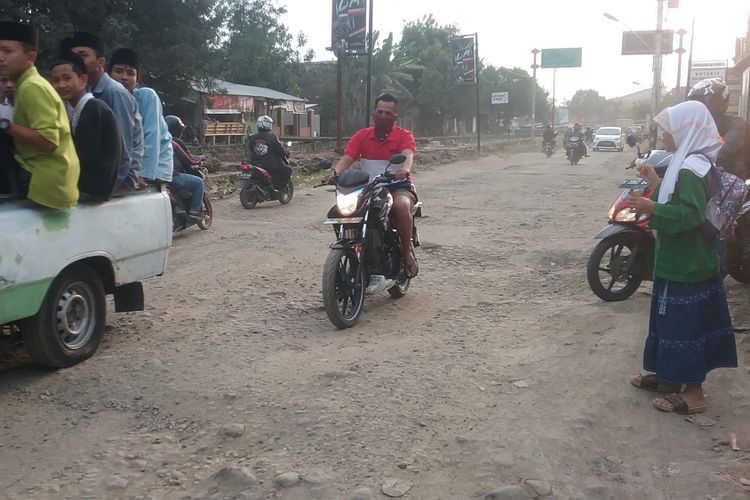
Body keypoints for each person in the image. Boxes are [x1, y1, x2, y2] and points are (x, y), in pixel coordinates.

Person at [627, 100, 737, 415]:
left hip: (689, 264)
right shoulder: (684, 162)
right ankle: (669, 377)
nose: (665, 137)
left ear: (686, 129)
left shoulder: (693, 167)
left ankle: (693, 394)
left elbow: (690, 215)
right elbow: (678, 199)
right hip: (676, 260)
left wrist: (652, 209)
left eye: (668, 131)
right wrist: (654, 183)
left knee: (685, 326)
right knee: (667, 322)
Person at [325, 93, 419, 277]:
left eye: (387, 113)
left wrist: (405, 169)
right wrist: (335, 174)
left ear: (395, 117)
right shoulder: (362, 136)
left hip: (397, 186)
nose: (383, 116)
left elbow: (408, 155)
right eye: (380, 112)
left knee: (400, 206)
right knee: (339, 211)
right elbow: (348, 158)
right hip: (370, 188)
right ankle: (353, 248)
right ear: (374, 113)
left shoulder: (403, 136)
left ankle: (407, 254)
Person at [0, 22, 79, 209]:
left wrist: (5, 125)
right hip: (42, 175)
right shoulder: (25, 86)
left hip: (42, 180)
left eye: (7, 51)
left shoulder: (32, 87)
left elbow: (49, 141)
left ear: (30, 57)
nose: (1, 58)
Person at [64, 32, 143, 191]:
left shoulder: (114, 93)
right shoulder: (86, 91)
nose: (77, 61)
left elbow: (123, 150)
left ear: (100, 62)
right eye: (73, 56)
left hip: (117, 184)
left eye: (83, 55)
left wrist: (109, 189)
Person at [51, 51, 121, 201]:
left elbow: (84, 156)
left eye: (67, 78)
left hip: (92, 190)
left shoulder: (92, 108)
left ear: (83, 80)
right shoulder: (77, 109)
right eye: (55, 80)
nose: (61, 85)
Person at [108, 47, 173, 184]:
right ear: (108, 75)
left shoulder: (147, 97)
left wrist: (142, 174)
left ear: (137, 80)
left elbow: (151, 135)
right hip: (126, 167)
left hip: (156, 167)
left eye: (130, 73)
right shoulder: (105, 99)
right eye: (119, 71)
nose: (124, 77)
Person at [687, 78, 746, 180]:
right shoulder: (694, 125)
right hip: (702, 178)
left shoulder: (736, 124)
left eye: (701, 102)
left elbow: (724, 149)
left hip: (731, 184)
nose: (696, 107)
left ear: (719, 103)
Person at [165, 115, 205, 219]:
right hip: (173, 176)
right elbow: (189, 160)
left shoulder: (159, 141)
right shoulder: (175, 143)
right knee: (199, 183)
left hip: (159, 177)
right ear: (177, 130)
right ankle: (195, 210)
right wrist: (200, 159)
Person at [246, 115, 291, 189]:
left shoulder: (252, 137)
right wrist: (286, 153)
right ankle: (279, 187)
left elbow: (250, 149)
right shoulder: (272, 137)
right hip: (269, 165)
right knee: (287, 169)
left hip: (255, 163)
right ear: (268, 125)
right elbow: (280, 150)